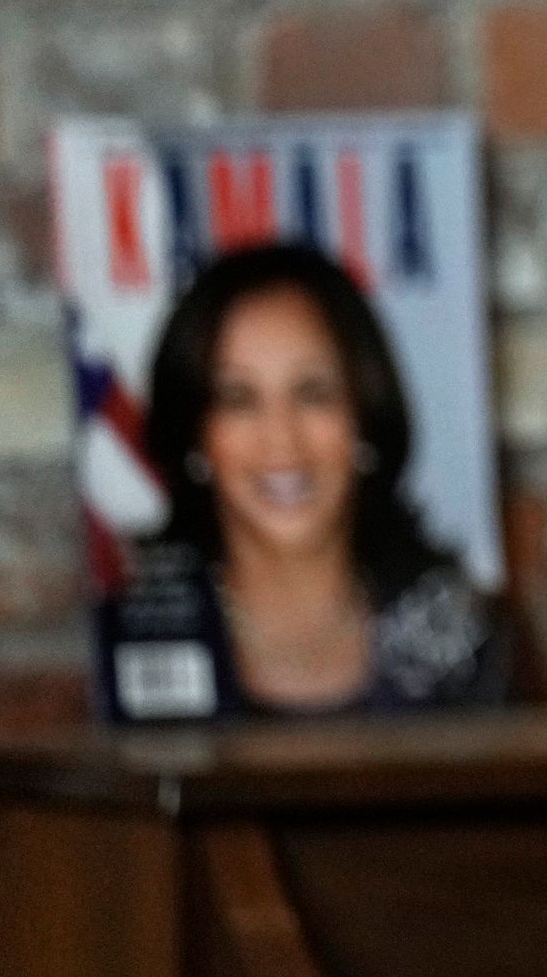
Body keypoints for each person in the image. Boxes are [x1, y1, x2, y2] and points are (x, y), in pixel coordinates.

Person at [103, 240, 508, 718]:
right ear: (196, 436)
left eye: (313, 393)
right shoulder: (130, 641)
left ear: (364, 413)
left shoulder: (468, 642)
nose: (282, 440)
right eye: (239, 400)